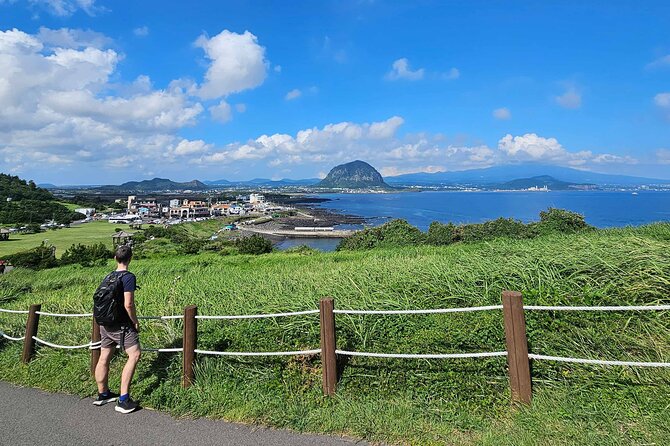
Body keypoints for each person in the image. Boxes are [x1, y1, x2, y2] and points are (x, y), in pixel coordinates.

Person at [93, 245, 142, 414]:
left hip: (104, 323)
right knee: (134, 355)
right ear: (130, 258)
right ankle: (123, 399)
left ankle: (103, 394)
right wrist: (134, 321)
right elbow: (128, 303)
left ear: (115, 258)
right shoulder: (128, 277)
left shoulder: (109, 276)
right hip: (120, 324)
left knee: (104, 356)